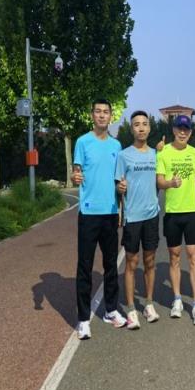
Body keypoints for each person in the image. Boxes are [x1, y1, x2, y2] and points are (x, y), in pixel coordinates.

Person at [71, 99, 126, 340]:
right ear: (92, 115)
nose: (102, 115)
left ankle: (110, 311)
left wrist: (121, 195)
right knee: (84, 266)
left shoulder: (117, 145)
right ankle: (83, 319)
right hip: (88, 213)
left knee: (111, 265)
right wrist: (74, 177)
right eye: (98, 112)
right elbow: (76, 172)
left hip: (111, 213)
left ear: (111, 116)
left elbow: (118, 180)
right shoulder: (82, 142)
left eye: (106, 112)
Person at [156, 115, 195, 325]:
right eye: (179, 128)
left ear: (190, 132)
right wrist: (171, 183)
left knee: (193, 256)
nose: (183, 132)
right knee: (174, 257)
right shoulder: (163, 152)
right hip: (172, 213)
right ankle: (177, 299)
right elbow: (159, 182)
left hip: (191, 211)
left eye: (186, 129)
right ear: (174, 130)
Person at [115, 110, 161, 330]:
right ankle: (131, 308)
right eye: (136, 124)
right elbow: (118, 184)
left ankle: (149, 304)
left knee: (150, 261)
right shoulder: (123, 156)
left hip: (152, 215)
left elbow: (161, 180)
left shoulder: (156, 154)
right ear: (131, 129)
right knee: (131, 263)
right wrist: (120, 187)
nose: (141, 128)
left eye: (144, 124)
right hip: (132, 217)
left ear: (149, 128)